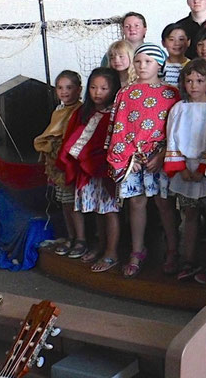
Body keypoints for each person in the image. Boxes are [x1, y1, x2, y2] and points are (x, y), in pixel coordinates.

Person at [106, 43, 182, 278]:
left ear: (159, 63)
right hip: (133, 159)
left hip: (159, 157)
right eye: (138, 61)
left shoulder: (171, 92)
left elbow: (176, 128)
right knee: (136, 203)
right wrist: (127, 156)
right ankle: (138, 250)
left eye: (148, 61)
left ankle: (172, 248)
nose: (142, 66)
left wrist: (162, 155)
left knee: (164, 203)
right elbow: (118, 126)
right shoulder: (125, 92)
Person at [165, 59, 206, 283]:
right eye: (189, 80)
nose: (194, 85)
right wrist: (181, 168)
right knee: (189, 215)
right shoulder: (179, 108)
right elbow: (172, 138)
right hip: (185, 170)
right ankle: (188, 260)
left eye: (199, 80)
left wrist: (204, 167)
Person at [56, 68, 122, 273]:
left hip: (105, 170)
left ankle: (112, 252)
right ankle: (100, 245)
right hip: (87, 172)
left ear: (113, 89)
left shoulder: (116, 113)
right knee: (96, 210)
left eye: (104, 88)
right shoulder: (83, 111)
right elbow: (72, 139)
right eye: (93, 87)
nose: (98, 92)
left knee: (109, 212)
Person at [33, 70, 82, 257]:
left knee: (73, 203)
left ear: (79, 89)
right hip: (56, 164)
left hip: (70, 164)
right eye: (60, 88)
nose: (64, 92)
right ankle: (71, 235)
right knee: (63, 202)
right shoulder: (58, 110)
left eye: (69, 87)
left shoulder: (78, 111)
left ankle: (81, 239)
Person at [161, 22, 191, 87]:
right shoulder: (159, 66)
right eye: (171, 39)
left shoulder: (192, 66)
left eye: (181, 39)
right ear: (163, 43)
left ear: (188, 42)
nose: (177, 43)